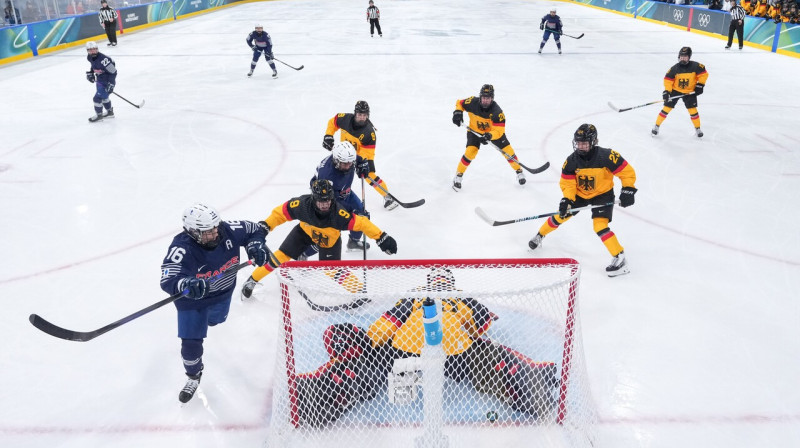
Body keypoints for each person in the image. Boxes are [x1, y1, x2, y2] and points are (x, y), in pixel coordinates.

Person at [291, 268, 559, 427]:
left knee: (351, 350)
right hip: (453, 350)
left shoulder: (415, 297)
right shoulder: (461, 296)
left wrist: (368, 344)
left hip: (405, 349)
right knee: (493, 356)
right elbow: (481, 326)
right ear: (449, 282)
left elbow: (387, 323)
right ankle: (522, 379)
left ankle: (330, 387)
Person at [159, 203, 270, 403]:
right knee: (190, 345)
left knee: (216, 320)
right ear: (192, 232)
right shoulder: (182, 247)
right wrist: (185, 283)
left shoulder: (226, 230)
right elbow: (168, 278)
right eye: (207, 232)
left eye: (214, 228)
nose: (214, 234)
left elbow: (256, 229)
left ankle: (208, 321)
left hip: (223, 294)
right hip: (193, 302)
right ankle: (193, 375)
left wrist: (255, 244)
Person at [240, 179, 398, 298]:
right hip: (304, 233)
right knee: (280, 256)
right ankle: (252, 280)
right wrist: (266, 226)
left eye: (328, 201)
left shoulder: (339, 215)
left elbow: (362, 224)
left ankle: (359, 292)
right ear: (313, 198)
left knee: (332, 271)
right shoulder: (301, 205)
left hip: (329, 240)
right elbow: (281, 212)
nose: (325, 205)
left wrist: (381, 238)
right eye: (321, 201)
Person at [528, 124, 637, 277]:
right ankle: (540, 235)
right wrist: (567, 199)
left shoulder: (607, 156)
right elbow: (568, 183)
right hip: (579, 195)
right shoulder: (571, 161)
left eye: (584, 143)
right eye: (578, 143)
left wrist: (628, 189)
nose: (581, 146)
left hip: (602, 194)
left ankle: (620, 257)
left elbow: (627, 172)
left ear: (594, 142)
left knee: (599, 226)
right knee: (561, 215)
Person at [323, 101, 398, 210]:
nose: (362, 117)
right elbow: (333, 122)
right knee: (333, 171)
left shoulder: (369, 133)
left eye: (364, 115)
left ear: (368, 115)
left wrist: (359, 163)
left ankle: (387, 196)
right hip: (342, 152)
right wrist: (328, 135)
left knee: (369, 175)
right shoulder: (345, 119)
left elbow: (366, 154)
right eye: (359, 115)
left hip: (361, 155)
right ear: (355, 114)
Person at [451, 84, 526, 192]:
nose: (486, 100)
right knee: (470, 152)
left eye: (488, 98)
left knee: (508, 151)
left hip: (492, 133)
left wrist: (490, 136)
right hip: (474, 132)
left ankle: (519, 172)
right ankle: (458, 175)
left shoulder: (497, 112)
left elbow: (499, 131)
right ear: (480, 97)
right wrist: (458, 112)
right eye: (484, 98)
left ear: (492, 98)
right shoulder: (472, 102)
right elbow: (460, 103)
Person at [309, 141, 372, 254]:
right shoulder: (328, 176)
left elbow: (355, 158)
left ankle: (353, 241)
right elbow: (332, 202)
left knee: (361, 212)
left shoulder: (345, 157)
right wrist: (354, 213)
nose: (348, 166)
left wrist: (362, 163)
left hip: (345, 193)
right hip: (328, 200)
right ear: (336, 160)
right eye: (345, 163)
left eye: (350, 163)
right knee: (329, 232)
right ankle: (305, 252)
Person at [651, 47, 708, 138]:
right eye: (681, 56)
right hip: (675, 91)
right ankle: (656, 126)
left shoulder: (696, 66)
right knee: (666, 108)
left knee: (693, 110)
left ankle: (697, 129)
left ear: (689, 57)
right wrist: (667, 92)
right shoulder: (674, 69)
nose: (683, 58)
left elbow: (703, 74)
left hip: (690, 92)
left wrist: (700, 85)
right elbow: (668, 80)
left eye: (685, 57)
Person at [85, 41, 116, 122]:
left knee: (97, 98)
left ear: (97, 49)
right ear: (87, 51)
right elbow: (93, 65)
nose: (93, 51)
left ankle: (99, 116)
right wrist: (91, 73)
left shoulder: (104, 59)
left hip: (107, 80)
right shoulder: (89, 57)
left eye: (94, 49)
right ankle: (110, 112)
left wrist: (111, 84)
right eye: (90, 50)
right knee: (104, 97)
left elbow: (113, 72)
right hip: (99, 79)